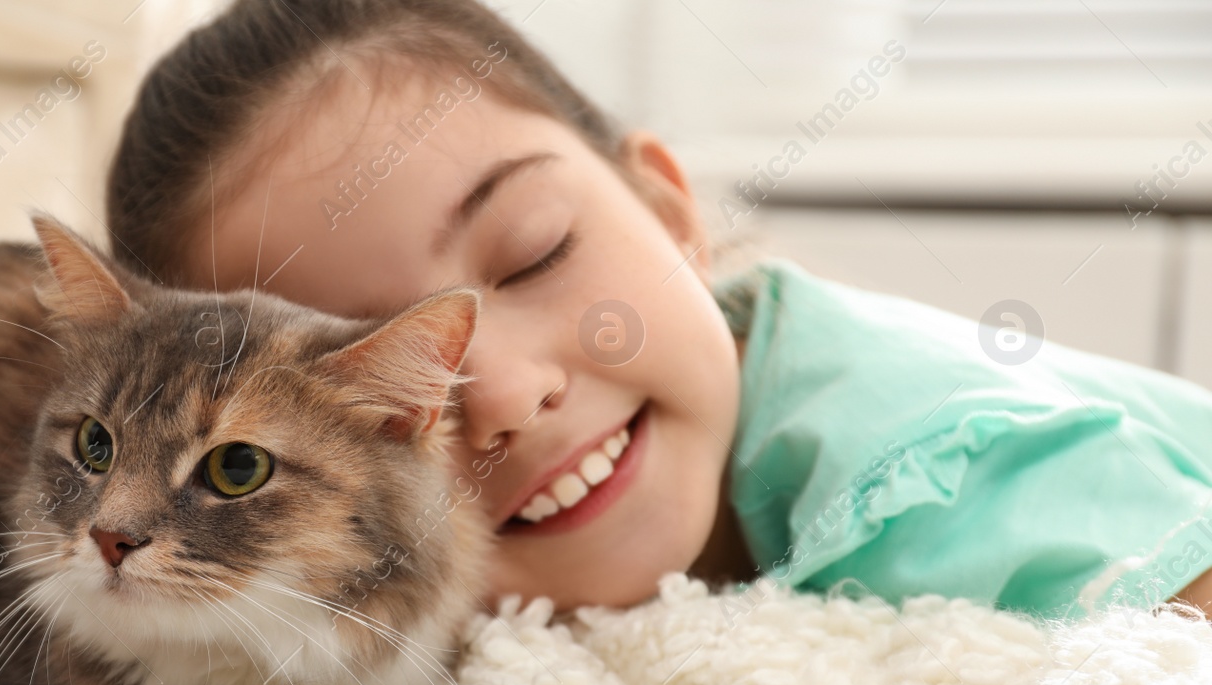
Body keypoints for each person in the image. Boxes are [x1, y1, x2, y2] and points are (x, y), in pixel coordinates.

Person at [105, 0, 1212, 618]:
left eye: (536, 253)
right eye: (373, 387)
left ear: (669, 209)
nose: (505, 391)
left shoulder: (930, 468)